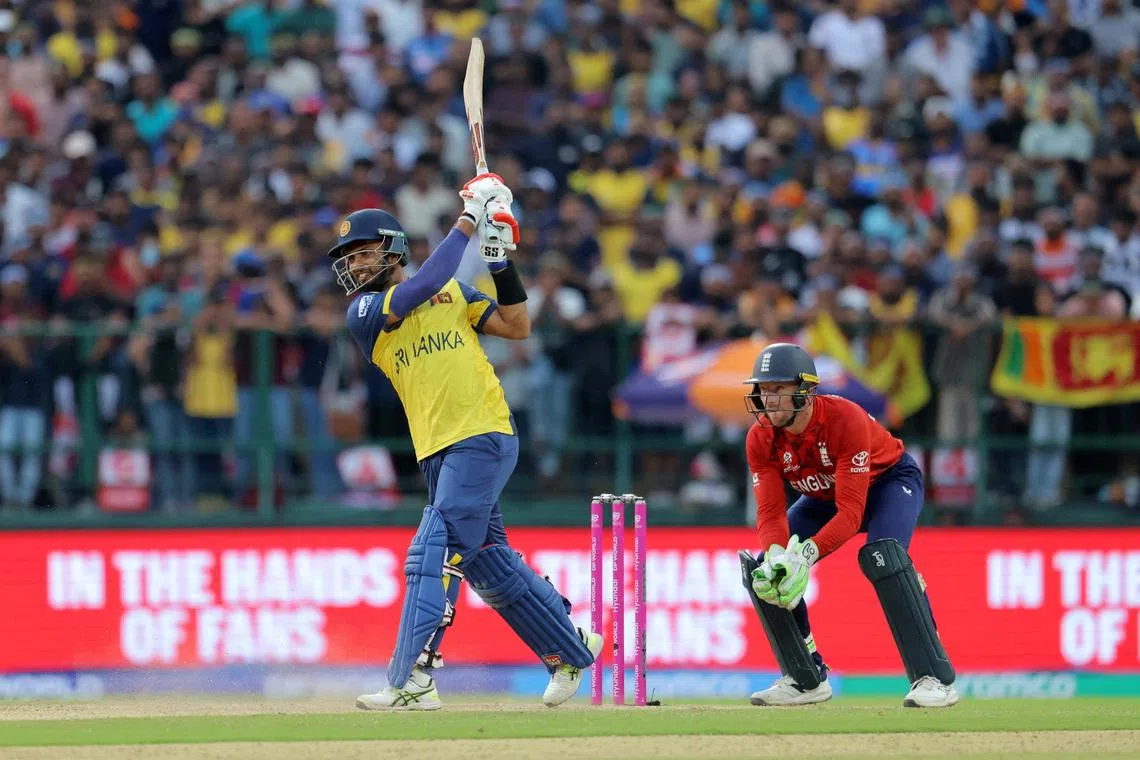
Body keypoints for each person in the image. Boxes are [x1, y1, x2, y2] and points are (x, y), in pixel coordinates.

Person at [333, 173, 601, 711]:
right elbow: (420, 288)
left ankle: (414, 677)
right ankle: (570, 649)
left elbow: (517, 325)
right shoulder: (364, 313)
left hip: (482, 433)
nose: (356, 265)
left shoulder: (454, 290)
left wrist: (500, 258)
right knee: (485, 561)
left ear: (393, 250)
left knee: (431, 545)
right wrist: (469, 223)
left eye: (365, 253)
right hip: (436, 449)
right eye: (351, 257)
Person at [740, 343, 958, 708]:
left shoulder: (845, 419)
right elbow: (771, 514)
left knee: (884, 557)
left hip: (888, 482)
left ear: (806, 390)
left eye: (779, 389)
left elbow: (852, 512)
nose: (769, 399)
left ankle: (935, 678)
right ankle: (806, 677)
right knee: (766, 571)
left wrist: (805, 556)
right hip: (827, 496)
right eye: (764, 389)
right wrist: (780, 555)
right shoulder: (760, 437)